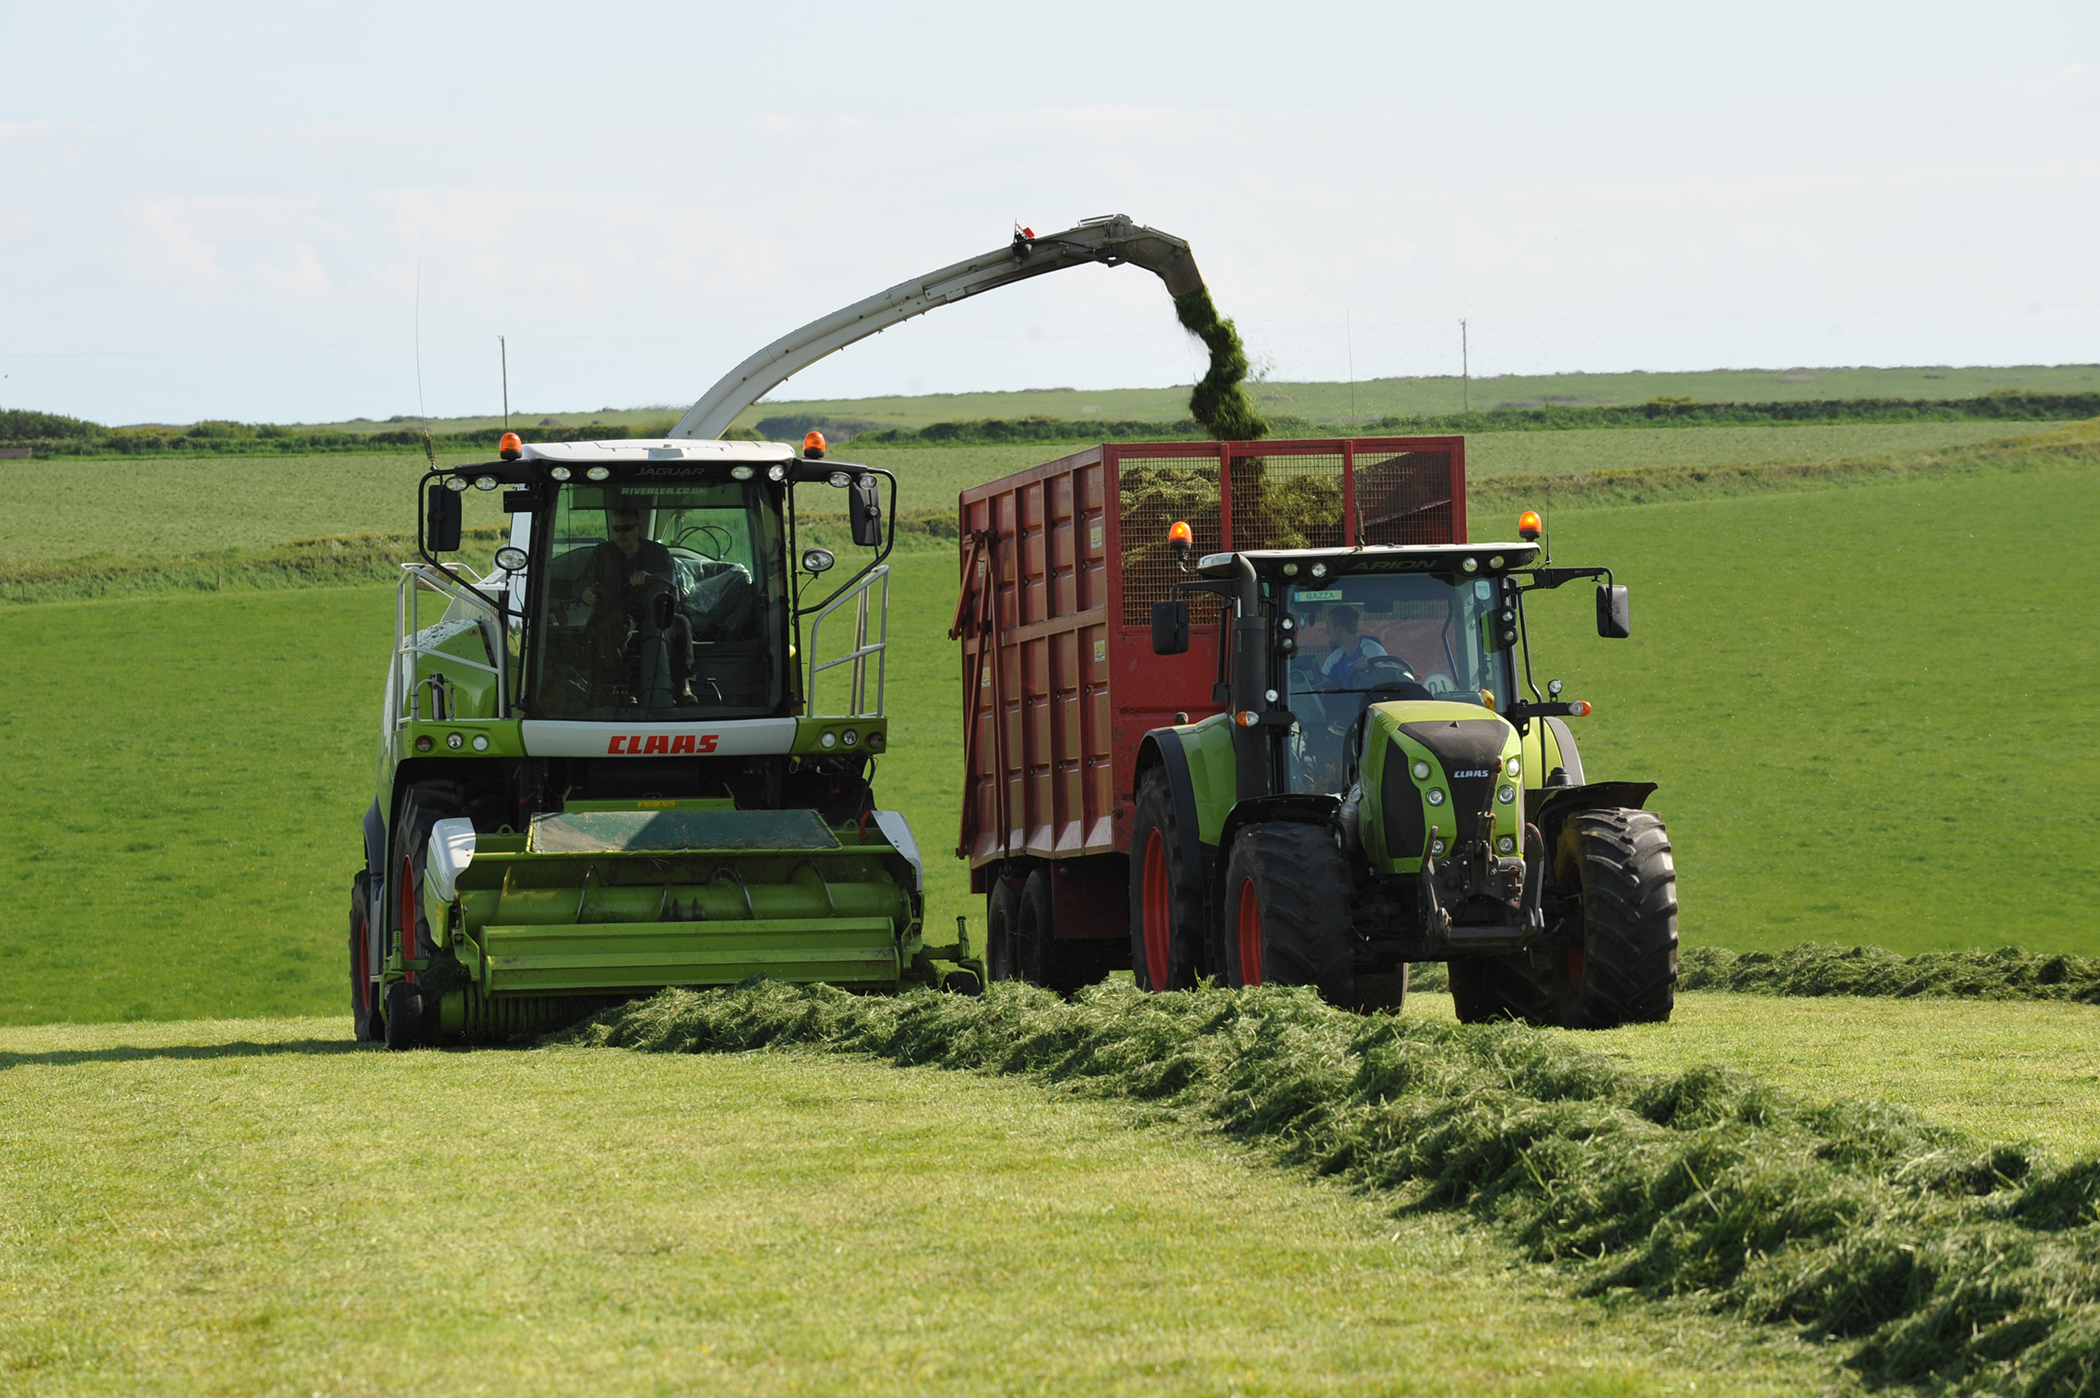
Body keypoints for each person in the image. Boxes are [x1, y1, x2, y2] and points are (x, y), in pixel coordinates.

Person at [578, 503, 696, 705]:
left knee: (681, 624)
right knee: (611, 627)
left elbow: (670, 577)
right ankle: (625, 688)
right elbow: (581, 582)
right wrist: (584, 592)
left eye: (626, 528)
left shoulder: (658, 552)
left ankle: (683, 687)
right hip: (619, 610)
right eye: (616, 529)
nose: (621, 534)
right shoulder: (602, 553)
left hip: (654, 610)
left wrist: (650, 576)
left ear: (639, 529)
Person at [1318, 604, 1388, 688]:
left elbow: (1395, 672)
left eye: (1328, 626)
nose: (1326, 631)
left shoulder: (1372, 650)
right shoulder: (1334, 659)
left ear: (1339, 629)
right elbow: (1320, 684)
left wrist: (1375, 664)